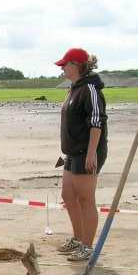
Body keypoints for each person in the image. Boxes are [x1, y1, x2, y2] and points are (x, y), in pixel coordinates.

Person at [55, 47, 108, 262]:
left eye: (65, 65)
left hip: (87, 152)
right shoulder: (74, 89)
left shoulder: (90, 89)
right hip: (72, 152)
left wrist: (91, 153)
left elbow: (97, 122)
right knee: (68, 196)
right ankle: (78, 239)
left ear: (76, 65)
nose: (62, 68)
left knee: (86, 199)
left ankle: (87, 246)